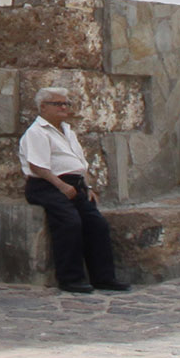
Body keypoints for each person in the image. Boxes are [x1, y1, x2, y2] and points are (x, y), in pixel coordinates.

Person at [19, 88, 129, 294]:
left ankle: (104, 277)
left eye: (66, 103)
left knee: (97, 224)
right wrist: (60, 186)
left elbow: (79, 163)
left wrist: (87, 187)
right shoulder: (36, 132)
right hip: (47, 185)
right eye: (58, 103)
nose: (64, 107)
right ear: (43, 107)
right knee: (69, 222)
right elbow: (37, 166)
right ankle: (70, 279)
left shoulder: (67, 131)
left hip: (73, 185)